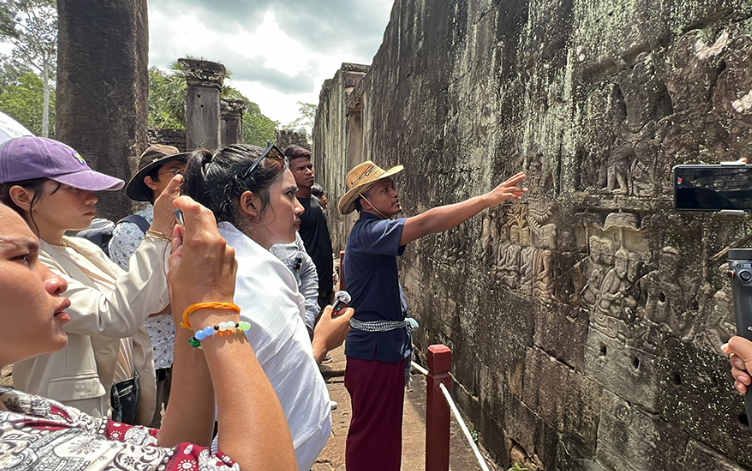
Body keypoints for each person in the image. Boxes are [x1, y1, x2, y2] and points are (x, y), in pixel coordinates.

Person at [0, 197, 298, 470]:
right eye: (21, 258)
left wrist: (187, 314)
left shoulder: (24, 407)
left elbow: (169, 452)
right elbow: (117, 313)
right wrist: (216, 310)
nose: (56, 281)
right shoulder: (25, 447)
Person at [337, 160, 527, 471]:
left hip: (381, 350)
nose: (394, 193)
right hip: (374, 356)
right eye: (385, 189)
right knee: (371, 440)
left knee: (381, 439)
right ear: (364, 202)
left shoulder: (370, 234)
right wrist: (486, 199)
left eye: (392, 186)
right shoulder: (370, 232)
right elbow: (426, 223)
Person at [182, 143, 353, 471]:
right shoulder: (242, 278)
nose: (299, 206)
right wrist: (320, 342)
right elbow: (265, 387)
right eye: (288, 195)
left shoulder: (256, 264)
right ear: (250, 203)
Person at [0, 136, 175, 425]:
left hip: (125, 390)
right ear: (22, 196)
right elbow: (114, 317)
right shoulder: (26, 264)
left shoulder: (84, 248)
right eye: (74, 188)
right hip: (74, 408)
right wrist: (158, 232)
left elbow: (150, 300)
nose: (92, 197)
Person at [109, 144, 189, 427]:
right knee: (147, 430)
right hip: (149, 355)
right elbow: (135, 300)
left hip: (188, 347)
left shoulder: (192, 223)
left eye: (186, 171)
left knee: (192, 430)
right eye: (176, 172)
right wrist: (189, 297)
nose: (184, 177)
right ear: (152, 181)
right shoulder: (131, 231)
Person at [285, 145, 334, 308]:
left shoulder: (315, 201)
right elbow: (293, 252)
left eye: (309, 166)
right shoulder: (290, 209)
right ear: (289, 173)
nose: (308, 171)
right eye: (301, 168)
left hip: (325, 283)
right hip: (307, 289)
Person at [270, 231, 320, 335]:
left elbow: (307, 270)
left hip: (297, 333)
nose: (299, 213)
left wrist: (307, 320)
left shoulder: (290, 233)